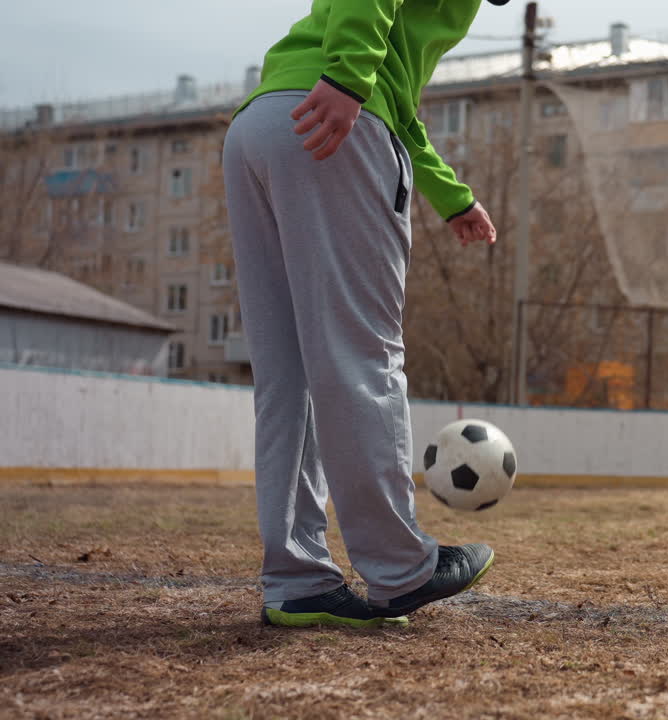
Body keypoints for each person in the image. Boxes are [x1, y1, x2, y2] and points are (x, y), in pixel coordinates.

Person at [222, 0, 509, 628]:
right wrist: (349, 76)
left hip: (266, 122)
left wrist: (449, 195)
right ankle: (400, 567)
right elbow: (373, 82)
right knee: (361, 356)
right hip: (335, 122)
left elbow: (398, 97)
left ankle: (297, 581)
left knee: (288, 375)